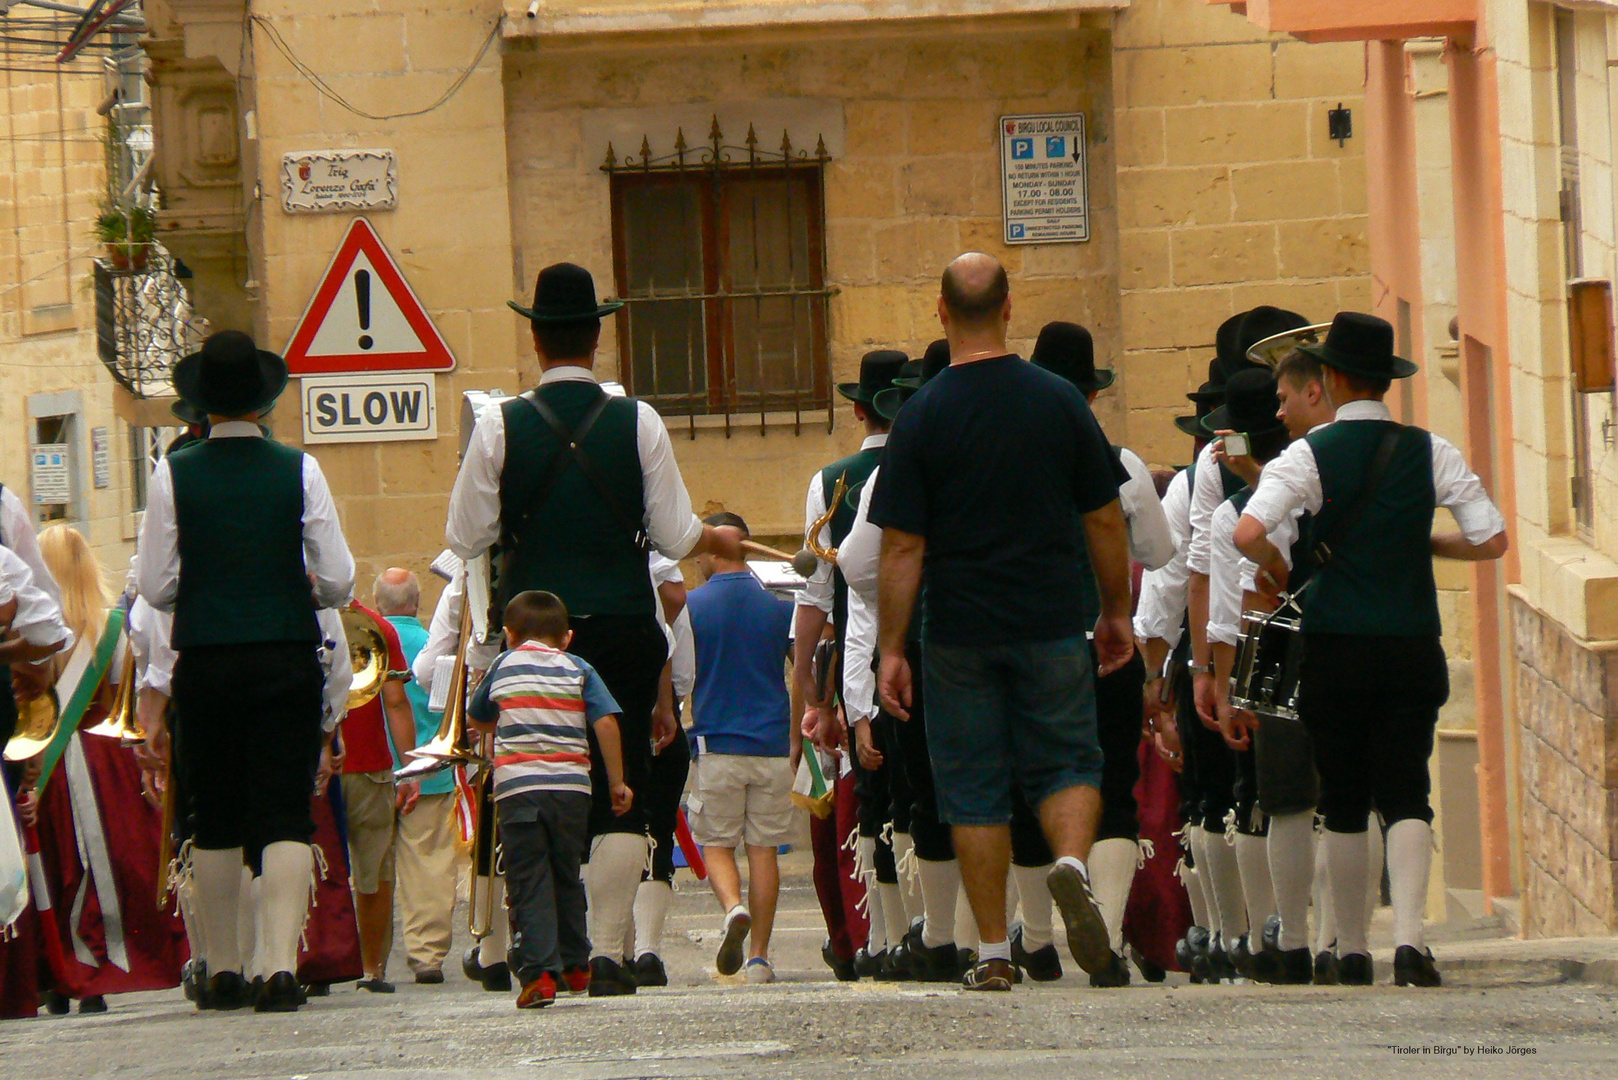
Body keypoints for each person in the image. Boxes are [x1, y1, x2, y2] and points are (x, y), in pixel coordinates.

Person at [445, 261, 737, 995]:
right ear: (597, 338)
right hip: (622, 630)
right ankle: (605, 953)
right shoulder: (637, 420)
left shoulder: (496, 425)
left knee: (532, 788)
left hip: (532, 638)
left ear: (537, 339)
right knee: (623, 789)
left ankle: (544, 947)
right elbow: (672, 536)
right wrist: (712, 539)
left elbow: (465, 531)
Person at [868, 253, 1134, 991]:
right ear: (1010, 308)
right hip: (1052, 618)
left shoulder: (921, 416)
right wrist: (1115, 610)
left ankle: (989, 953)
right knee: (1070, 762)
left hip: (956, 630)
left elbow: (901, 545)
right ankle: (1072, 866)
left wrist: (893, 647)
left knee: (973, 786)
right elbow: (1105, 519)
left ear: (942, 313)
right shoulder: (1060, 403)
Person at [1235, 311, 1508, 988]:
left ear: (1328, 378)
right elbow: (1493, 539)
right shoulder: (1429, 449)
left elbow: (1245, 533)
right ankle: (1412, 944)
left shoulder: (1305, 456)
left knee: (1345, 796)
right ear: (1386, 382)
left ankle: (1353, 948)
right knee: (1408, 789)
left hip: (1334, 649)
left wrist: (1278, 567)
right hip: (1411, 642)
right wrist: (1431, 544)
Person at [136, 329, 356, 1013]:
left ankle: (224, 966)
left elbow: (153, 583)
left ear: (201, 403)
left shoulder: (175, 472)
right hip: (285, 652)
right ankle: (277, 967)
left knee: (216, 811)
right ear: (263, 400)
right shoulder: (300, 468)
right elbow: (341, 580)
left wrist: (206, 588)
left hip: (204, 657)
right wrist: (296, 588)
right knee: (285, 810)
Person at [1027, 321, 1175, 986]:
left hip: (1029, 644)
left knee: (1028, 785)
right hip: (1106, 645)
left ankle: (1034, 941)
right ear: (1091, 393)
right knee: (1115, 786)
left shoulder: (1008, 459)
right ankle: (1107, 939)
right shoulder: (1124, 463)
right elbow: (1157, 554)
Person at [30, 527, 185, 1015]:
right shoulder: (116, 628)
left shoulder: (37, 631)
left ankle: (60, 972)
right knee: (116, 864)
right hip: (107, 762)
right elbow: (136, 693)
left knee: (58, 865)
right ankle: (106, 965)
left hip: (50, 761)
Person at [794, 349, 905, 979]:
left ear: (859, 408)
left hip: (857, 659)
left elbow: (816, 600)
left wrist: (811, 692)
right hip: (934, 647)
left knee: (870, 797)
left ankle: (877, 935)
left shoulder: (832, 479)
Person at [468, 590, 631, 1009]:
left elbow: (478, 715)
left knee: (528, 878)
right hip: (572, 790)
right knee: (566, 872)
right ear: (568, 637)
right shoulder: (578, 668)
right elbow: (606, 722)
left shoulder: (503, 664)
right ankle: (577, 963)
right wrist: (617, 781)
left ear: (508, 634)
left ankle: (540, 972)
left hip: (520, 790)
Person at [684, 513, 796, 984]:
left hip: (717, 742)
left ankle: (732, 907)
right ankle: (760, 957)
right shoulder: (780, 603)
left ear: (713, 550)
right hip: (772, 742)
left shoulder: (690, 606)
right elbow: (806, 665)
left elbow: (680, 675)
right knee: (764, 852)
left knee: (715, 843)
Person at [374, 568, 460, 985]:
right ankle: (426, 954)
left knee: (368, 864)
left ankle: (366, 954)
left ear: (377, 605)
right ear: (417, 603)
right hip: (428, 772)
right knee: (428, 866)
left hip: (373, 767)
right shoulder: (432, 646)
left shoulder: (365, 645)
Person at [338, 598, 420, 993]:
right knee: (373, 871)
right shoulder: (376, 626)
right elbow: (396, 701)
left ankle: (316, 961)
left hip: (310, 767)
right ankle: (372, 968)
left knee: (313, 867)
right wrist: (409, 769)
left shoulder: (295, 619)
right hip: (368, 766)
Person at [630, 553, 694, 986]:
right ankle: (646, 949)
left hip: (621, 722)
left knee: (607, 831)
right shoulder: (667, 607)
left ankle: (611, 946)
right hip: (661, 719)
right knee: (656, 834)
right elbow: (683, 671)